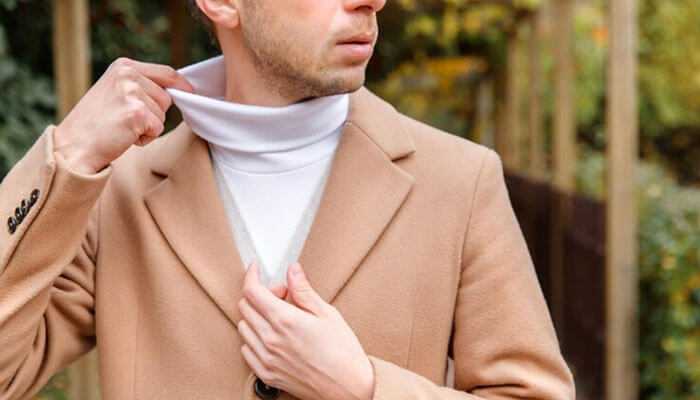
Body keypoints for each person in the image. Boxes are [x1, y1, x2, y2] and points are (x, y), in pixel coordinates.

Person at [0, 0, 576, 399]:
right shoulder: (116, 190)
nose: (371, 3)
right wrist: (67, 155)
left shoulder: (461, 181)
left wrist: (367, 389)